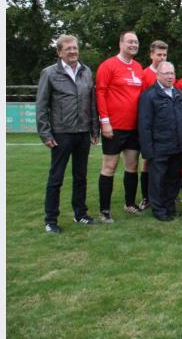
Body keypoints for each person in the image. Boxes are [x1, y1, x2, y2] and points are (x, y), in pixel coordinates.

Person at [36, 35, 100, 233]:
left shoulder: (86, 71)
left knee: (80, 177)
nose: (73, 51)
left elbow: (92, 103)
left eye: (75, 48)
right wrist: (46, 134)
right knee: (56, 178)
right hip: (61, 133)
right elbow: (41, 105)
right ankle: (50, 220)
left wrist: (94, 129)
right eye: (68, 49)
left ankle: (80, 214)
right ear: (59, 52)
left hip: (82, 133)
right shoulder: (49, 73)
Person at [95, 30, 145, 222]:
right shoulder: (108, 65)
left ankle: (130, 204)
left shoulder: (139, 67)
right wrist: (104, 121)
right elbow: (100, 93)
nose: (133, 45)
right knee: (109, 166)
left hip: (134, 127)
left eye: (136, 42)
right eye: (130, 42)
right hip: (114, 127)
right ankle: (104, 210)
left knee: (132, 165)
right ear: (121, 43)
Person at [138, 62, 182, 221]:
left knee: (174, 179)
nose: (170, 77)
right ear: (158, 75)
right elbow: (144, 125)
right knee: (157, 180)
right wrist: (148, 151)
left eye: (172, 73)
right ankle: (158, 210)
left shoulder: (178, 93)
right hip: (158, 147)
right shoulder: (149, 96)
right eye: (166, 73)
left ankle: (170, 206)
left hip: (177, 146)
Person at [137, 40, 167, 210]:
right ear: (151, 55)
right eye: (159, 55)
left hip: (165, 128)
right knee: (147, 161)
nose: (161, 58)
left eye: (164, 55)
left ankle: (165, 194)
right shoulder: (144, 75)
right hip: (151, 127)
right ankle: (146, 197)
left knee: (167, 162)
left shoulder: (169, 73)